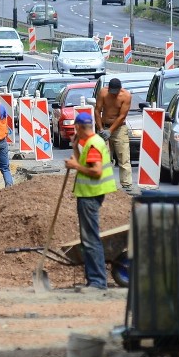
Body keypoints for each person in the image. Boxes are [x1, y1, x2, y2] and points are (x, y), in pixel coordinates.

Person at [64, 112, 117, 290]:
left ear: (78, 127)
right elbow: (83, 163)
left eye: (75, 128)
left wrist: (75, 166)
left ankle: (97, 281)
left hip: (90, 195)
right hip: (89, 193)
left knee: (90, 239)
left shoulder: (93, 144)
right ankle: (94, 279)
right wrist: (74, 148)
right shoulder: (89, 142)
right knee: (88, 237)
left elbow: (96, 171)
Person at [93, 78, 134, 192]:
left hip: (119, 129)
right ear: (108, 88)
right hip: (104, 126)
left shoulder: (126, 96)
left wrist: (110, 131)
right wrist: (101, 129)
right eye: (112, 92)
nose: (114, 94)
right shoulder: (103, 92)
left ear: (120, 89)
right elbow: (97, 110)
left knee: (123, 156)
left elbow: (122, 116)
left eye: (116, 92)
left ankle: (126, 183)